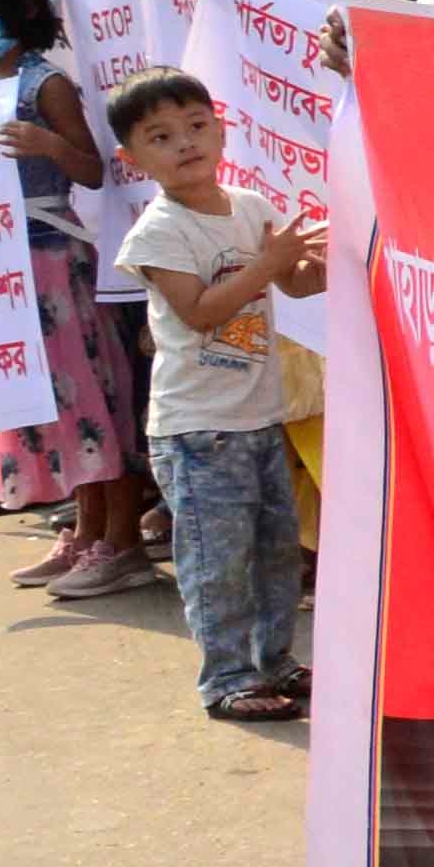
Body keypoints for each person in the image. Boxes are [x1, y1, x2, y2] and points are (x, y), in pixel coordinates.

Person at [0, 0, 162, 600]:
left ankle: (124, 541)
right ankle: (88, 532)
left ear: (22, 5)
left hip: (53, 261)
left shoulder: (43, 83)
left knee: (90, 400)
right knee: (54, 409)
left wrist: (48, 144)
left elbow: (91, 165)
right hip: (4, 269)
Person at [109, 67, 323, 726]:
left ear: (220, 127)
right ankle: (226, 677)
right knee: (216, 559)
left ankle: (273, 658)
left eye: (196, 126)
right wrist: (267, 264)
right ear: (133, 159)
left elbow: (298, 286)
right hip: (196, 430)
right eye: (162, 137)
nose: (186, 144)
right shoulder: (157, 233)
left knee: (275, 549)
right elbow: (201, 312)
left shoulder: (252, 208)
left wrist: (333, 255)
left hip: (258, 417)